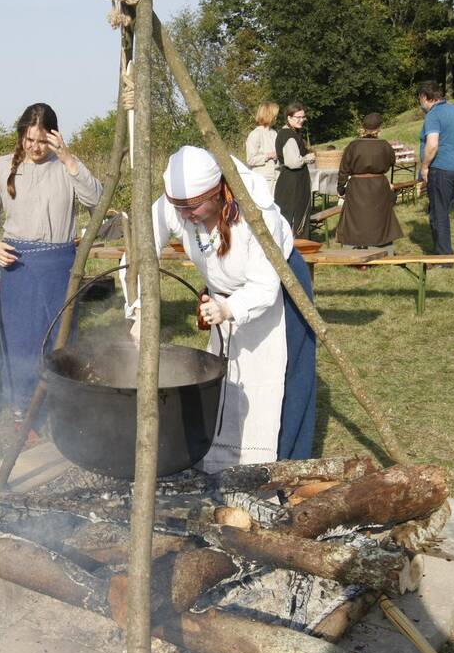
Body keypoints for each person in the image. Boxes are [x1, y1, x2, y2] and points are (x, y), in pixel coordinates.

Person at [125, 146, 316, 472]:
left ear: (217, 193)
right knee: (228, 376)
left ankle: (280, 470)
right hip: (222, 297)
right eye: (178, 208)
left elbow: (264, 286)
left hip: (278, 293)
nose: (185, 216)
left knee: (276, 382)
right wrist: (139, 308)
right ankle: (222, 463)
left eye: (193, 207)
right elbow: (140, 249)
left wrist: (229, 309)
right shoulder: (177, 206)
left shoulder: (256, 213)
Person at [0, 103, 102, 423]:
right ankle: (23, 408)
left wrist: (68, 159)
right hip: (16, 265)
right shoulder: (1, 167)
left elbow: (98, 201)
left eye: (42, 140)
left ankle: (61, 406)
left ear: (54, 137)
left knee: (59, 338)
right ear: (22, 134)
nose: (35, 147)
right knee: (20, 340)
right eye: (29, 139)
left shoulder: (67, 166)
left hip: (59, 265)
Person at [418, 81, 454, 257]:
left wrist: (425, 166)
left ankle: (443, 257)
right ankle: (445, 251)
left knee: (438, 213)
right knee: (443, 211)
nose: (420, 103)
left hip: (441, 169)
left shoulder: (433, 115)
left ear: (425, 97)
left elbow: (432, 145)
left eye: (420, 99)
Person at [335, 113, 402, 252]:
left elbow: (344, 169)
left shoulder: (353, 146)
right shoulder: (385, 145)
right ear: (379, 128)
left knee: (358, 218)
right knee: (377, 217)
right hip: (378, 185)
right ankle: (380, 248)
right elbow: (392, 162)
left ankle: (358, 248)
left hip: (358, 186)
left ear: (363, 127)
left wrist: (341, 188)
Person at [274, 103, 317, 239]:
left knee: (296, 213)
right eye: (297, 117)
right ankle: (297, 249)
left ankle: (297, 248)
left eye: (303, 117)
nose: (301, 119)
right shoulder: (288, 136)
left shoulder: (292, 133)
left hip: (293, 180)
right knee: (293, 214)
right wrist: (307, 158)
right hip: (292, 181)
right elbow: (293, 162)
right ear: (289, 117)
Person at [245, 102, 280, 193]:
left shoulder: (274, 133)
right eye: (274, 115)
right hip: (263, 180)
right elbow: (250, 160)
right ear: (268, 115)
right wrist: (267, 156)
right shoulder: (255, 134)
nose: (276, 117)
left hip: (277, 176)